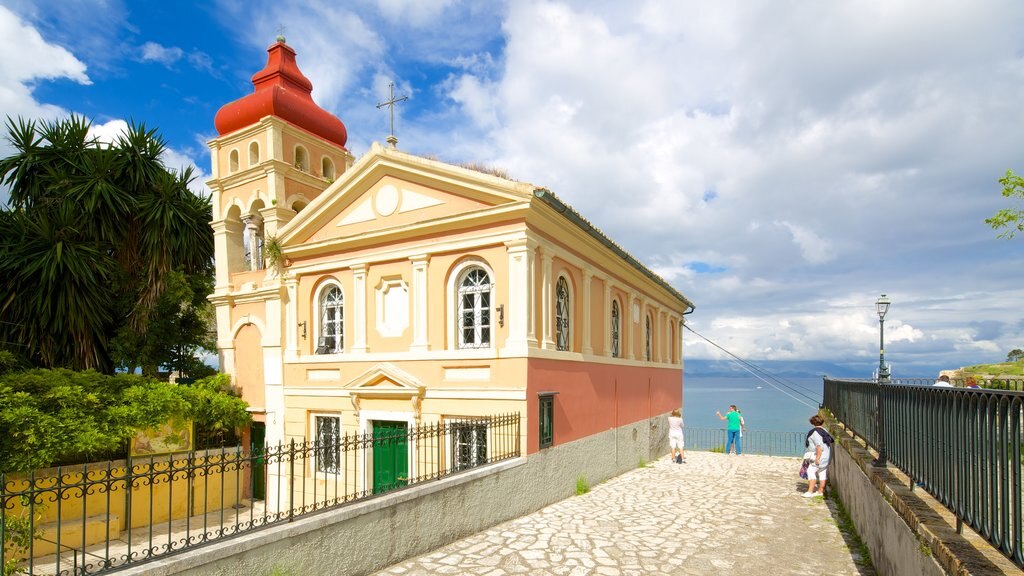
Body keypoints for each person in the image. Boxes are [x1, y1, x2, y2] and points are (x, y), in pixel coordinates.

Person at [804, 415, 831, 497]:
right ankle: (820, 491)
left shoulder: (815, 433)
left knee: (810, 471)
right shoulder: (824, 430)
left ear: (812, 422)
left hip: (819, 457)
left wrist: (817, 458)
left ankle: (810, 491)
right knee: (822, 472)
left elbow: (819, 447)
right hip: (826, 456)